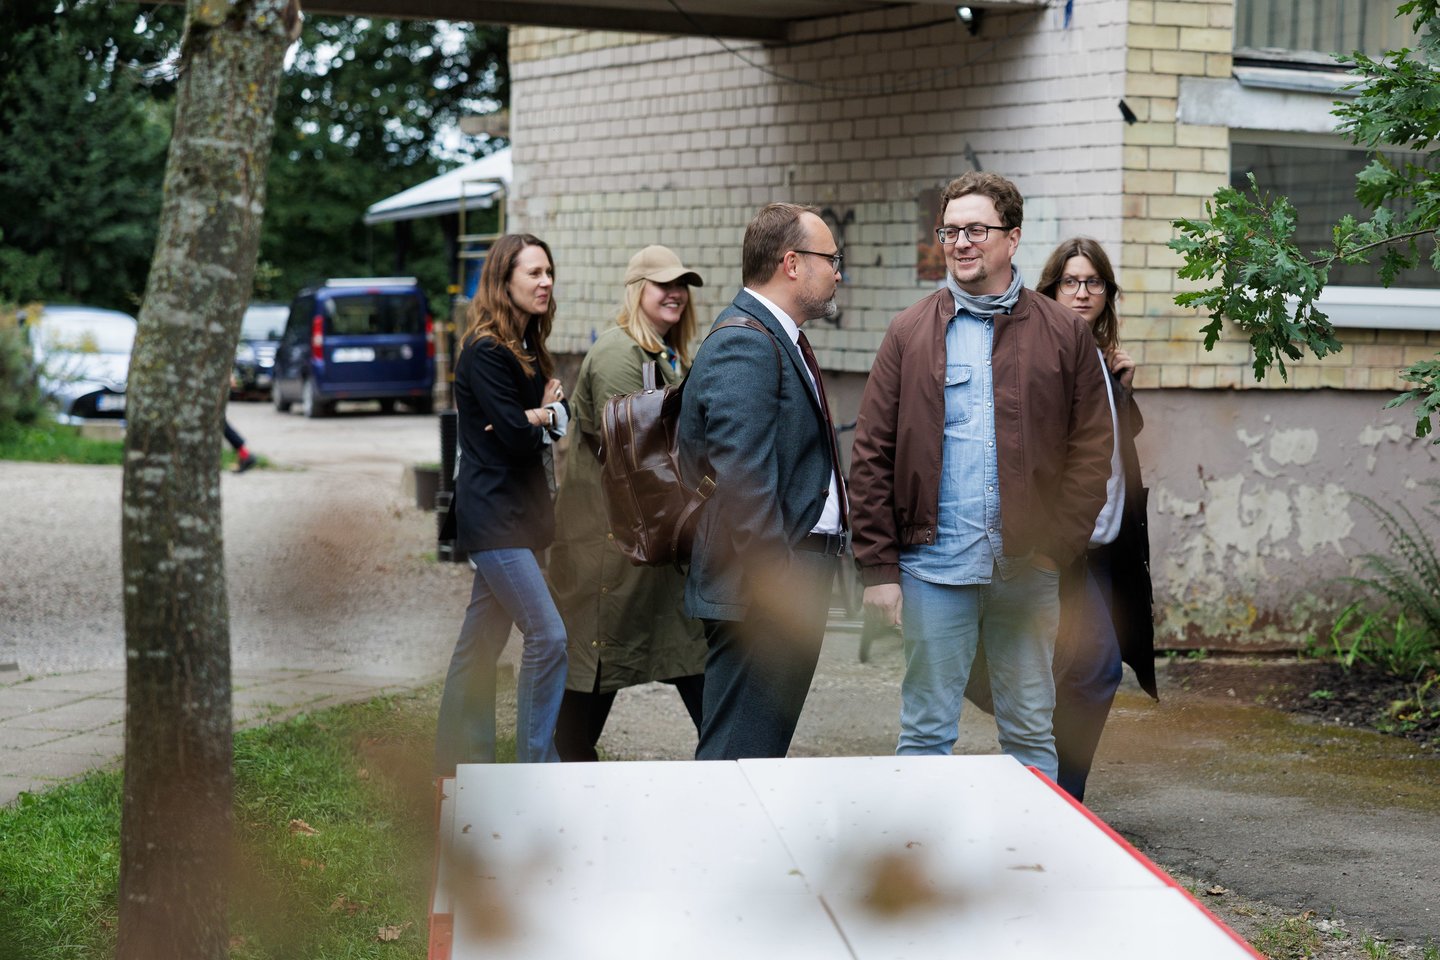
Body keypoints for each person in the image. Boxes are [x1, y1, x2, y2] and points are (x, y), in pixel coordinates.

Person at [848, 172, 1113, 780]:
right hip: (934, 570)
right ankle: (920, 843)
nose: (960, 243)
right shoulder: (909, 332)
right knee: (925, 731)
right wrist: (879, 568)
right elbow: (871, 454)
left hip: (1026, 571)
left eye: (976, 230)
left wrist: (1056, 548)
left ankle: (1032, 841)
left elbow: (1091, 451)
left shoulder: (1063, 333)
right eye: (950, 231)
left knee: (1029, 730)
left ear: (1012, 238)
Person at [964, 237, 1157, 801]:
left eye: (1094, 282)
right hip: (1063, 545)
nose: (1082, 293)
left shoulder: (1098, 357)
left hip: (1106, 547)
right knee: (1091, 669)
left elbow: (1111, 444)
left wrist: (1122, 391)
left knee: (1076, 671)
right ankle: (1059, 796)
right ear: (1049, 290)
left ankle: (1053, 794)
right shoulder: (1043, 356)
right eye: (1070, 282)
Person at [677, 202, 849, 760]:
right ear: (792, 263)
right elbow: (741, 480)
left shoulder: (775, 336)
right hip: (763, 592)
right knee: (737, 756)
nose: (838, 273)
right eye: (832, 259)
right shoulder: (746, 342)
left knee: (756, 754)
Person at [549, 245, 708, 761]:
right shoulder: (620, 353)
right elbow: (638, 456)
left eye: (681, 285)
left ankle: (733, 762)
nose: (676, 294)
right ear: (637, 290)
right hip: (609, 546)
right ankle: (564, 772)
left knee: (685, 657)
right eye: (664, 284)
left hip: (644, 544)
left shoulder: (664, 353)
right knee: (596, 666)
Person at [435, 233, 570, 773]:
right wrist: (540, 415)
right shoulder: (486, 351)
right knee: (548, 635)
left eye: (548, 272)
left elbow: (536, 426)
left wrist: (532, 418)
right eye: (533, 273)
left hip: (520, 514)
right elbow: (517, 435)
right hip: (494, 516)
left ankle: (459, 765)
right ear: (502, 280)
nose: (546, 282)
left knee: (479, 646)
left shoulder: (527, 349)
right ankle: (536, 768)